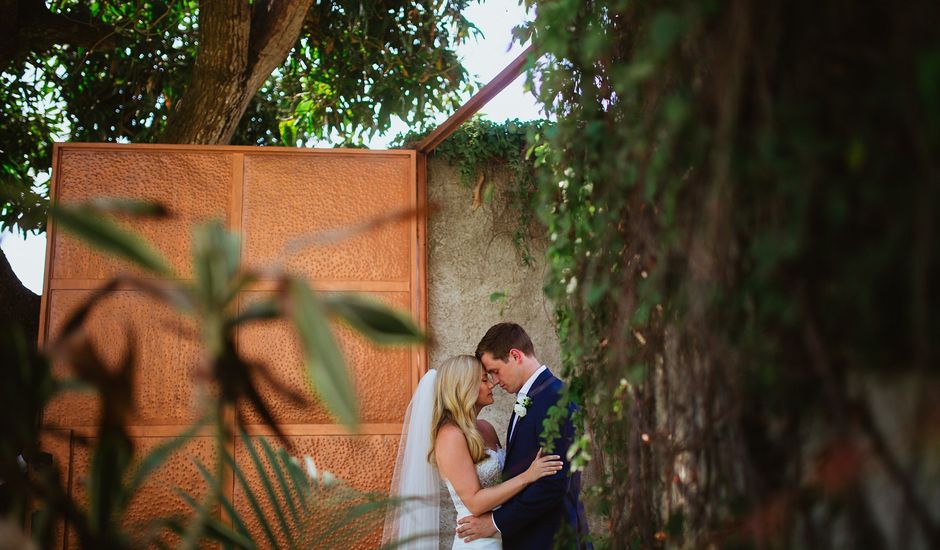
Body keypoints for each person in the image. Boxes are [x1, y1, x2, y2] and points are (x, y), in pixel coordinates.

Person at [382, 354, 563, 549]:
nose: (492, 384)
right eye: (485, 380)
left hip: (505, 533)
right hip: (478, 540)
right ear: (465, 387)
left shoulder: (486, 428)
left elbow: (502, 481)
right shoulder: (450, 436)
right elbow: (475, 502)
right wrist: (528, 476)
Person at [456, 323, 591, 549]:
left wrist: (496, 523)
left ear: (515, 355)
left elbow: (553, 484)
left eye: (495, 371)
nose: (495, 381)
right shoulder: (535, 395)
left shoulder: (556, 400)